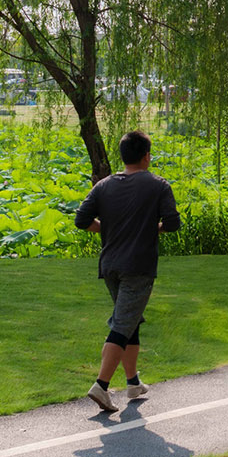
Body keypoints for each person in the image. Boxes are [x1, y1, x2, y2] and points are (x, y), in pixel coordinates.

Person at [74, 130, 180, 412]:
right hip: (138, 266)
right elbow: (172, 223)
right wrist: (150, 229)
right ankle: (101, 385)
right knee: (122, 325)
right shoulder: (158, 185)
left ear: (123, 156)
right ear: (146, 156)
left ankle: (133, 382)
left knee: (130, 320)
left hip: (110, 265)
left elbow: (81, 219)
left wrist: (108, 229)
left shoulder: (104, 186)